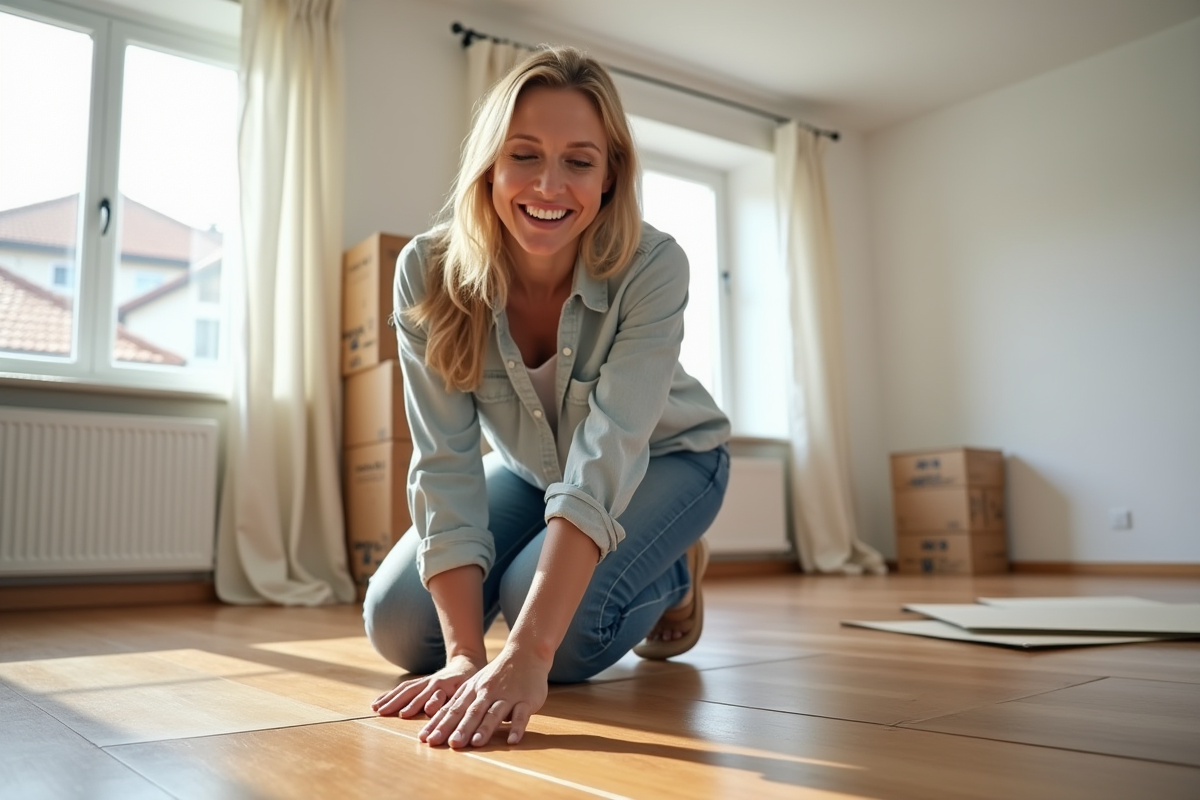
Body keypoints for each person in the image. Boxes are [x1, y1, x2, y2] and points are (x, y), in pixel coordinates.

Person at [363, 46, 730, 750]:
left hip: (667, 459)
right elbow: (444, 462)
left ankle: (675, 571)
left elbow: (606, 454)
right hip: (535, 470)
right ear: (491, 165)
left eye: (579, 161)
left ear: (610, 175)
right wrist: (468, 656)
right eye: (525, 155)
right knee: (401, 625)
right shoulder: (427, 271)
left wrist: (526, 652)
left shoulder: (655, 266)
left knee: (559, 645)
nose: (549, 185)